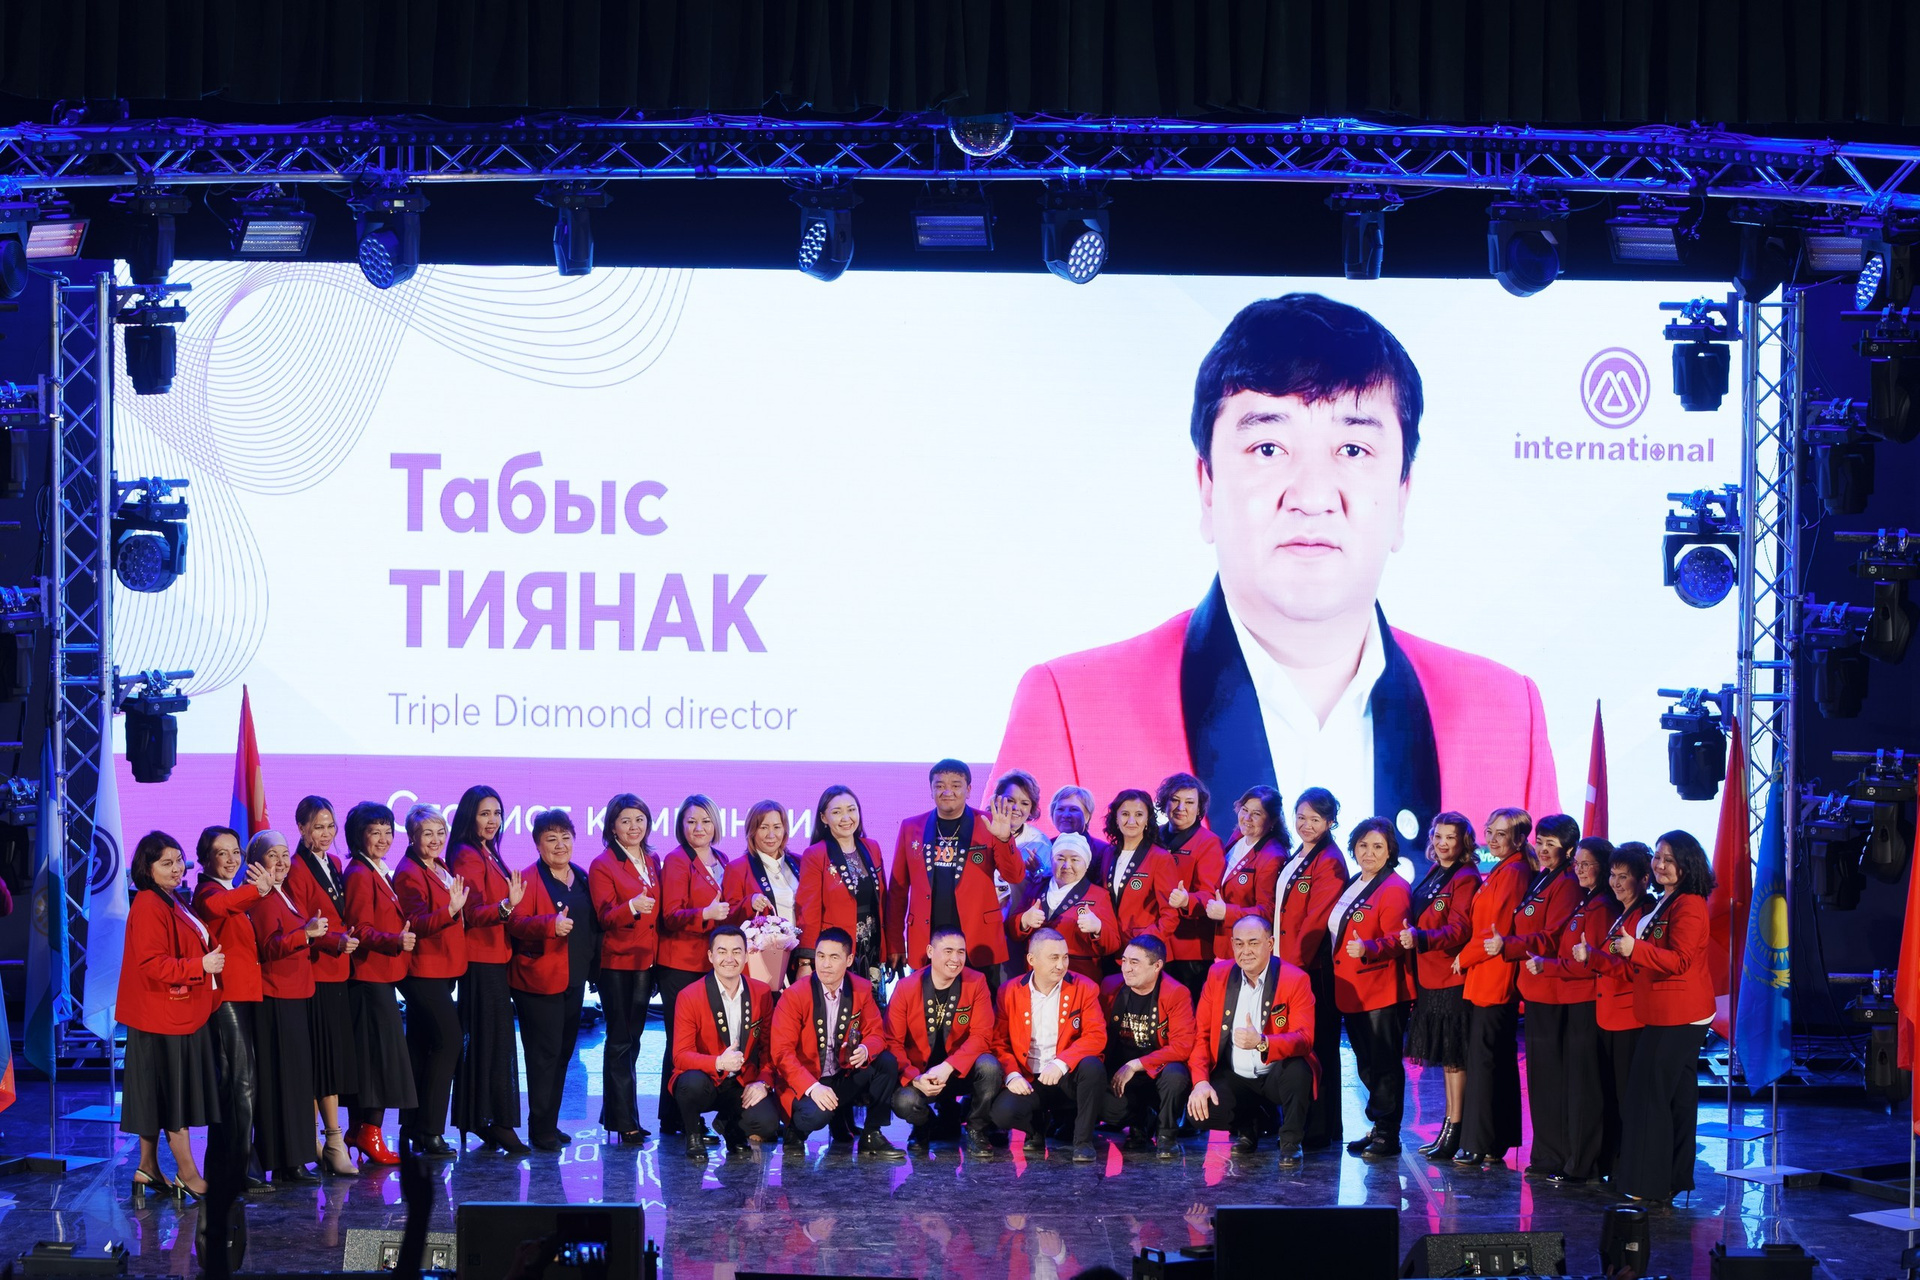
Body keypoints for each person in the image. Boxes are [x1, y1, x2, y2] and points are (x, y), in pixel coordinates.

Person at [992, 292, 1559, 835]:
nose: (1312, 496)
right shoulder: (1071, 708)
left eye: (1354, 450)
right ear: (1207, 486)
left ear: (1403, 495)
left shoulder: (1507, 719)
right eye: (1269, 449)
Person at [1611, 831, 1715, 1205]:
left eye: (1669, 859)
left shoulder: (1690, 905)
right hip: (1665, 1011)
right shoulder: (1667, 901)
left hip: (1679, 1014)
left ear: (1687, 865)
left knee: (1649, 1096)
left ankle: (1647, 1184)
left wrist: (1634, 948)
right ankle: (1671, 1179)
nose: (1660, 864)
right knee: (1677, 1099)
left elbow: (1680, 960)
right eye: (1658, 856)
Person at [119, 831, 223, 1202]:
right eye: (167, 863)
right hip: (161, 1014)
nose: (177, 868)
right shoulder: (150, 903)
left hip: (166, 1012)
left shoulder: (171, 898)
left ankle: (147, 1167)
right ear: (146, 868)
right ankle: (188, 1174)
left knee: (155, 1094)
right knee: (173, 1098)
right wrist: (200, 966)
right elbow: (151, 963)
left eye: (179, 860)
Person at [1484, 812, 1583, 1175]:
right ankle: (1544, 1153)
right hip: (1535, 988)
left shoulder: (1567, 884)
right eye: (1539, 842)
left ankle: (1556, 1155)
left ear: (1569, 849)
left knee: (1553, 1079)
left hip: (1553, 990)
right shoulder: (1543, 877)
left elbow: (1552, 937)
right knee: (1540, 1080)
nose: (1542, 849)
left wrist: (1508, 945)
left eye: (1550, 844)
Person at [1520, 835, 1619, 1184]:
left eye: (1587, 864)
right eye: (1577, 863)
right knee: (1575, 1087)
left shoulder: (1601, 906)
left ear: (1604, 867)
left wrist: (1547, 966)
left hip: (1587, 1003)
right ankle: (1573, 1160)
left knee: (1584, 1090)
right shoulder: (1586, 902)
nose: (1579, 869)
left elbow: (1591, 963)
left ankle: (1581, 1165)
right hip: (1573, 1003)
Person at [1185, 915, 1315, 1165]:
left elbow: (1305, 1039)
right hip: (1235, 1075)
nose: (1245, 951)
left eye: (1253, 943)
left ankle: (1290, 1141)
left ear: (1270, 944)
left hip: (1275, 1074)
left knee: (1298, 1069)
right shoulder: (1217, 975)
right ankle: (1248, 1128)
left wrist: (1263, 1042)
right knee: (1199, 1114)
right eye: (1239, 943)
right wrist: (1200, 1082)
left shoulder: (1295, 979)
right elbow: (1201, 1034)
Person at [885, 759, 1026, 985]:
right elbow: (898, 891)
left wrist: (1004, 839)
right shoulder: (911, 827)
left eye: (956, 785)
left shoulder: (989, 824)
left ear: (969, 790)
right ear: (931, 789)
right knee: (924, 1006)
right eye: (940, 785)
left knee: (982, 1006)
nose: (947, 791)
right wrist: (894, 942)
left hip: (979, 941)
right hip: (927, 941)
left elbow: (1015, 876)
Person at [508, 808, 600, 1151]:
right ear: (537, 844)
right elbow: (515, 923)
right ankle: (539, 1128)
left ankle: (548, 1122)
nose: (560, 845)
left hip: (574, 979)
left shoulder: (582, 876)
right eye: (551, 839)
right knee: (543, 1055)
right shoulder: (527, 878)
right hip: (538, 981)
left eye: (566, 837)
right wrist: (550, 924)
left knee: (563, 1054)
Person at [446, 785, 529, 1156]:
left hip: (495, 956)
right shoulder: (466, 853)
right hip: (480, 959)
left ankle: (484, 1118)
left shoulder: (487, 850)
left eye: (497, 813)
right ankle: (491, 1121)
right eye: (484, 813)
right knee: (488, 1041)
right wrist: (507, 907)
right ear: (470, 816)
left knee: (491, 1041)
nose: (493, 820)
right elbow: (471, 912)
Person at [771, 926, 903, 1157]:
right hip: (806, 1080)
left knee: (886, 1062)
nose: (825, 964)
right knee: (817, 1114)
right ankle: (795, 1132)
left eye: (834, 957)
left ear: (849, 960)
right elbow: (782, 1053)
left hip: (842, 1075)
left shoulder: (860, 989)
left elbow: (877, 1034)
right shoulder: (795, 995)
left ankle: (872, 1134)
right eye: (821, 956)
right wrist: (813, 1088)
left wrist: (866, 1049)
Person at [1453, 807, 1535, 1171]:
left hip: (1494, 974)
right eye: (1490, 832)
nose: (1493, 839)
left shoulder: (1515, 871)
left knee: (1485, 1061)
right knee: (1493, 1058)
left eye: (1501, 834)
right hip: (1485, 973)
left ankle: (1479, 1142)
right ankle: (1494, 1141)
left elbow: (1495, 930)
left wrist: (1463, 957)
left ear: (1519, 838)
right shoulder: (1504, 868)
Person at [1397, 811, 1481, 1161]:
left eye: (1450, 837)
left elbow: (1460, 928)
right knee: (1447, 1060)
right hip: (1429, 976)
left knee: (1455, 1058)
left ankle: (1456, 1128)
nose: (1442, 843)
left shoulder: (1466, 877)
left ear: (1464, 841)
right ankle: (1448, 1123)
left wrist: (1421, 937)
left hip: (1451, 978)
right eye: (1438, 836)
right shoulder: (1436, 871)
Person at [190, 825, 270, 1192]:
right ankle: (239, 1167)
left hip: (244, 995)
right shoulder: (208, 892)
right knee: (240, 1084)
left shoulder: (229, 890)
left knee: (235, 1085)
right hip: (226, 998)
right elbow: (219, 907)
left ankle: (228, 1165)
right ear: (205, 859)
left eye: (236, 851)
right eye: (222, 853)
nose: (232, 859)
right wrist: (257, 890)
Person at [285, 796, 361, 1176]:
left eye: (330, 826)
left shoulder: (334, 863)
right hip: (315, 974)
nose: (326, 833)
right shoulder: (296, 869)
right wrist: (335, 941)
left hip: (338, 972)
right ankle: (327, 1139)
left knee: (331, 1060)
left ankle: (326, 1140)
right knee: (321, 1061)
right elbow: (302, 926)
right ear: (301, 828)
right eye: (318, 826)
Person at [987, 929, 1109, 1162]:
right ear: (1031, 959)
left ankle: (1083, 1142)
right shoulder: (1009, 991)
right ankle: (1036, 1129)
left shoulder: (1085, 987)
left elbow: (1096, 1035)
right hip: (1029, 1078)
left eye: (1065, 957)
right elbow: (998, 1042)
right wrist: (1012, 1074)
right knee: (1002, 1114)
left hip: (1066, 1077)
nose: (1061, 965)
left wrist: (1061, 1063)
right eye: (1054, 958)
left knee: (1093, 1067)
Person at [1331, 816, 1413, 1159]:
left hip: (1381, 992)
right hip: (1354, 990)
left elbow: (1398, 939)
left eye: (1378, 846)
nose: (1369, 852)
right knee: (1367, 1065)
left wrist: (1368, 947)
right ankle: (1378, 1126)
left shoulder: (1394, 887)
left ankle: (1388, 1135)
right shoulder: (1356, 882)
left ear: (1390, 850)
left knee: (1383, 1066)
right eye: (1363, 845)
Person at [246, 830, 324, 1184]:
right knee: (283, 1082)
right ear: (257, 861)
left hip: (295, 993)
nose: (280, 862)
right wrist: (305, 934)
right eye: (272, 855)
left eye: (284, 854)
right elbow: (270, 947)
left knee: (295, 1080)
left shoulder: (283, 893)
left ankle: (293, 1159)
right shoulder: (262, 899)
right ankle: (284, 1160)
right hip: (276, 995)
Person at [339, 801, 414, 1168]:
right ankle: (369, 1132)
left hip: (379, 976)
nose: (384, 839)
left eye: (388, 831)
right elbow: (361, 930)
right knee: (378, 1062)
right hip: (368, 978)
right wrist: (394, 940)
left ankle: (360, 1131)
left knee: (374, 1060)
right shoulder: (359, 873)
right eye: (375, 832)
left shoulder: (376, 870)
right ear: (359, 836)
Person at [1274, 787, 1349, 1150]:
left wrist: (1291, 971)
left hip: (1310, 970)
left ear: (1330, 822)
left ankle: (1320, 1129)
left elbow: (1315, 922)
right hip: (1290, 963)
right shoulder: (1301, 853)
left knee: (1317, 1049)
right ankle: (1307, 1123)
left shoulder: (1330, 860)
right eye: (1301, 817)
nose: (1306, 825)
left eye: (1315, 819)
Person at [393, 802, 469, 1158]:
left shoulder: (439, 865)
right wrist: (450, 910)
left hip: (443, 968)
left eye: (441, 832)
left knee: (423, 1047)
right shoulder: (409, 872)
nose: (436, 840)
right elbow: (417, 922)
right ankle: (431, 1130)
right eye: (428, 834)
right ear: (412, 837)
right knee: (449, 1042)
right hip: (422, 970)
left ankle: (413, 1127)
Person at [668, 924, 782, 1159]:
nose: (729, 959)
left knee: (768, 1123)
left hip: (741, 1081)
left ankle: (731, 1129)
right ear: (710, 956)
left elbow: (768, 1048)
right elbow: (680, 1055)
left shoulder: (761, 992)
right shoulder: (689, 995)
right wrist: (718, 1062)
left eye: (736, 951)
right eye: (722, 952)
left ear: (746, 955)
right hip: (706, 1080)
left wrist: (763, 1082)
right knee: (690, 1084)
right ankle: (693, 1135)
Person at [886, 927, 1002, 1156]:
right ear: (930, 951)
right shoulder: (906, 987)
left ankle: (977, 1130)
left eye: (961, 952)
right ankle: (923, 1127)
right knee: (904, 1102)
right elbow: (892, 1042)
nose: (955, 959)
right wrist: (915, 1078)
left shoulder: (976, 982)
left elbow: (982, 1035)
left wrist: (948, 1067)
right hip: (922, 1075)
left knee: (989, 1066)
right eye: (948, 951)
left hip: (959, 1071)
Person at [658, 793, 735, 1137]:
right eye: (691, 821)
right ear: (681, 826)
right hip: (681, 963)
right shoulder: (676, 861)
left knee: (705, 1042)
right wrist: (705, 913)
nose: (698, 828)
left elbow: (728, 908)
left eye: (705, 821)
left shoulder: (723, 859)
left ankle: (694, 1113)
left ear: (715, 824)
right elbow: (670, 915)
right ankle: (674, 1117)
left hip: (712, 963)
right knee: (681, 1043)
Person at [587, 792, 659, 1145]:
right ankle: (624, 1120)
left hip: (646, 960)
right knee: (619, 1040)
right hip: (616, 962)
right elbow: (604, 917)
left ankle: (618, 1112)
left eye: (640, 819)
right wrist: (630, 906)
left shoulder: (652, 859)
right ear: (612, 826)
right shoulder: (603, 864)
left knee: (633, 1040)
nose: (634, 826)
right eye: (626, 820)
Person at [1580, 842, 1653, 1176]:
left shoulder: (1644, 915)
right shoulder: (1623, 912)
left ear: (1644, 879)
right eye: (1613, 875)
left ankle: (1632, 1169)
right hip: (1609, 1016)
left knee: (1628, 1098)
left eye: (1624, 876)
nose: (1616, 882)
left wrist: (1594, 958)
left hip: (1630, 1018)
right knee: (1612, 1097)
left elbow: (1634, 969)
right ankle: (1617, 1165)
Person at [1098, 935, 1196, 1157]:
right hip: (1121, 1076)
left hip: (1158, 1072)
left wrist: (1136, 1064)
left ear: (1157, 966)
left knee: (1176, 1074)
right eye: (1124, 961)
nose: (1126, 968)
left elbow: (1182, 1046)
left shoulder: (1176, 993)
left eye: (1135, 962)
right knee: (1099, 1102)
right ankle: (1141, 1122)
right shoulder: (1110, 986)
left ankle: (1166, 1135)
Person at [796, 784, 888, 984]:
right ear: (824, 818)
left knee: (871, 1003)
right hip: (836, 951)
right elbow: (808, 911)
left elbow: (883, 902)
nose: (846, 818)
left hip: (872, 949)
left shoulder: (872, 847)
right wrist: (805, 961)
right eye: (837, 812)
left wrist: (889, 949)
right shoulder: (815, 855)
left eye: (851, 810)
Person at [1008, 833, 1121, 980]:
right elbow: (1011, 932)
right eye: (1060, 859)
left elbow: (1113, 945)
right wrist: (1023, 920)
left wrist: (1098, 929)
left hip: (1078, 978)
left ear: (1086, 864)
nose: (1067, 866)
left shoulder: (1099, 895)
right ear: (1051, 860)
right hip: (1037, 976)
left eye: (1075, 859)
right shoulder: (1035, 889)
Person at [1156, 773, 1226, 993]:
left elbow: (1210, 895)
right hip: (1156, 941)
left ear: (1199, 808)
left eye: (1189, 802)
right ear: (1165, 802)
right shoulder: (1153, 836)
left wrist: (1187, 900)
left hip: (1190, 948)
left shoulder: (1209, 843)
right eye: (1175, 800)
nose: (1181, 808)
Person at [1205, 786, 1288, 961]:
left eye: (1256, 814)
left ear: (1272, 820)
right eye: (1244, 810)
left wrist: (1227, 913)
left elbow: (1267, 912)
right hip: (1222, 943)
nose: (1247, 818)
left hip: (1245, 950)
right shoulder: (1239, 835)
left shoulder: (1272, 857)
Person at [724, 800, 800, 989]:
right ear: (752, 831)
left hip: (801, 958)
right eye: (763, 827)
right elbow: (727, 919)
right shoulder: (737, 868)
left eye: (777, 827)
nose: (771, 835)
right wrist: (748, 903)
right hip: (763, 961)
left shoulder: (801, 863)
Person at [1099, 790, 1179, 963]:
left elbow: (1170, 915)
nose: (1131, 821)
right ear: (1115, 818)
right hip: (1112, 951)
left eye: (1139, 814)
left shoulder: (1160, 858)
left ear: (1147, 819)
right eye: (1125, 814)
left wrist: (1144, 947)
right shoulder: (1108, 854)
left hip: (1145, 956)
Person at [1050, 786, 1112, 869]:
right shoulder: (1047, 846)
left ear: (1087, 816)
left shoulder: (1104, 851)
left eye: (1073, 809)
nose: (1065, 815)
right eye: (1060, 809)